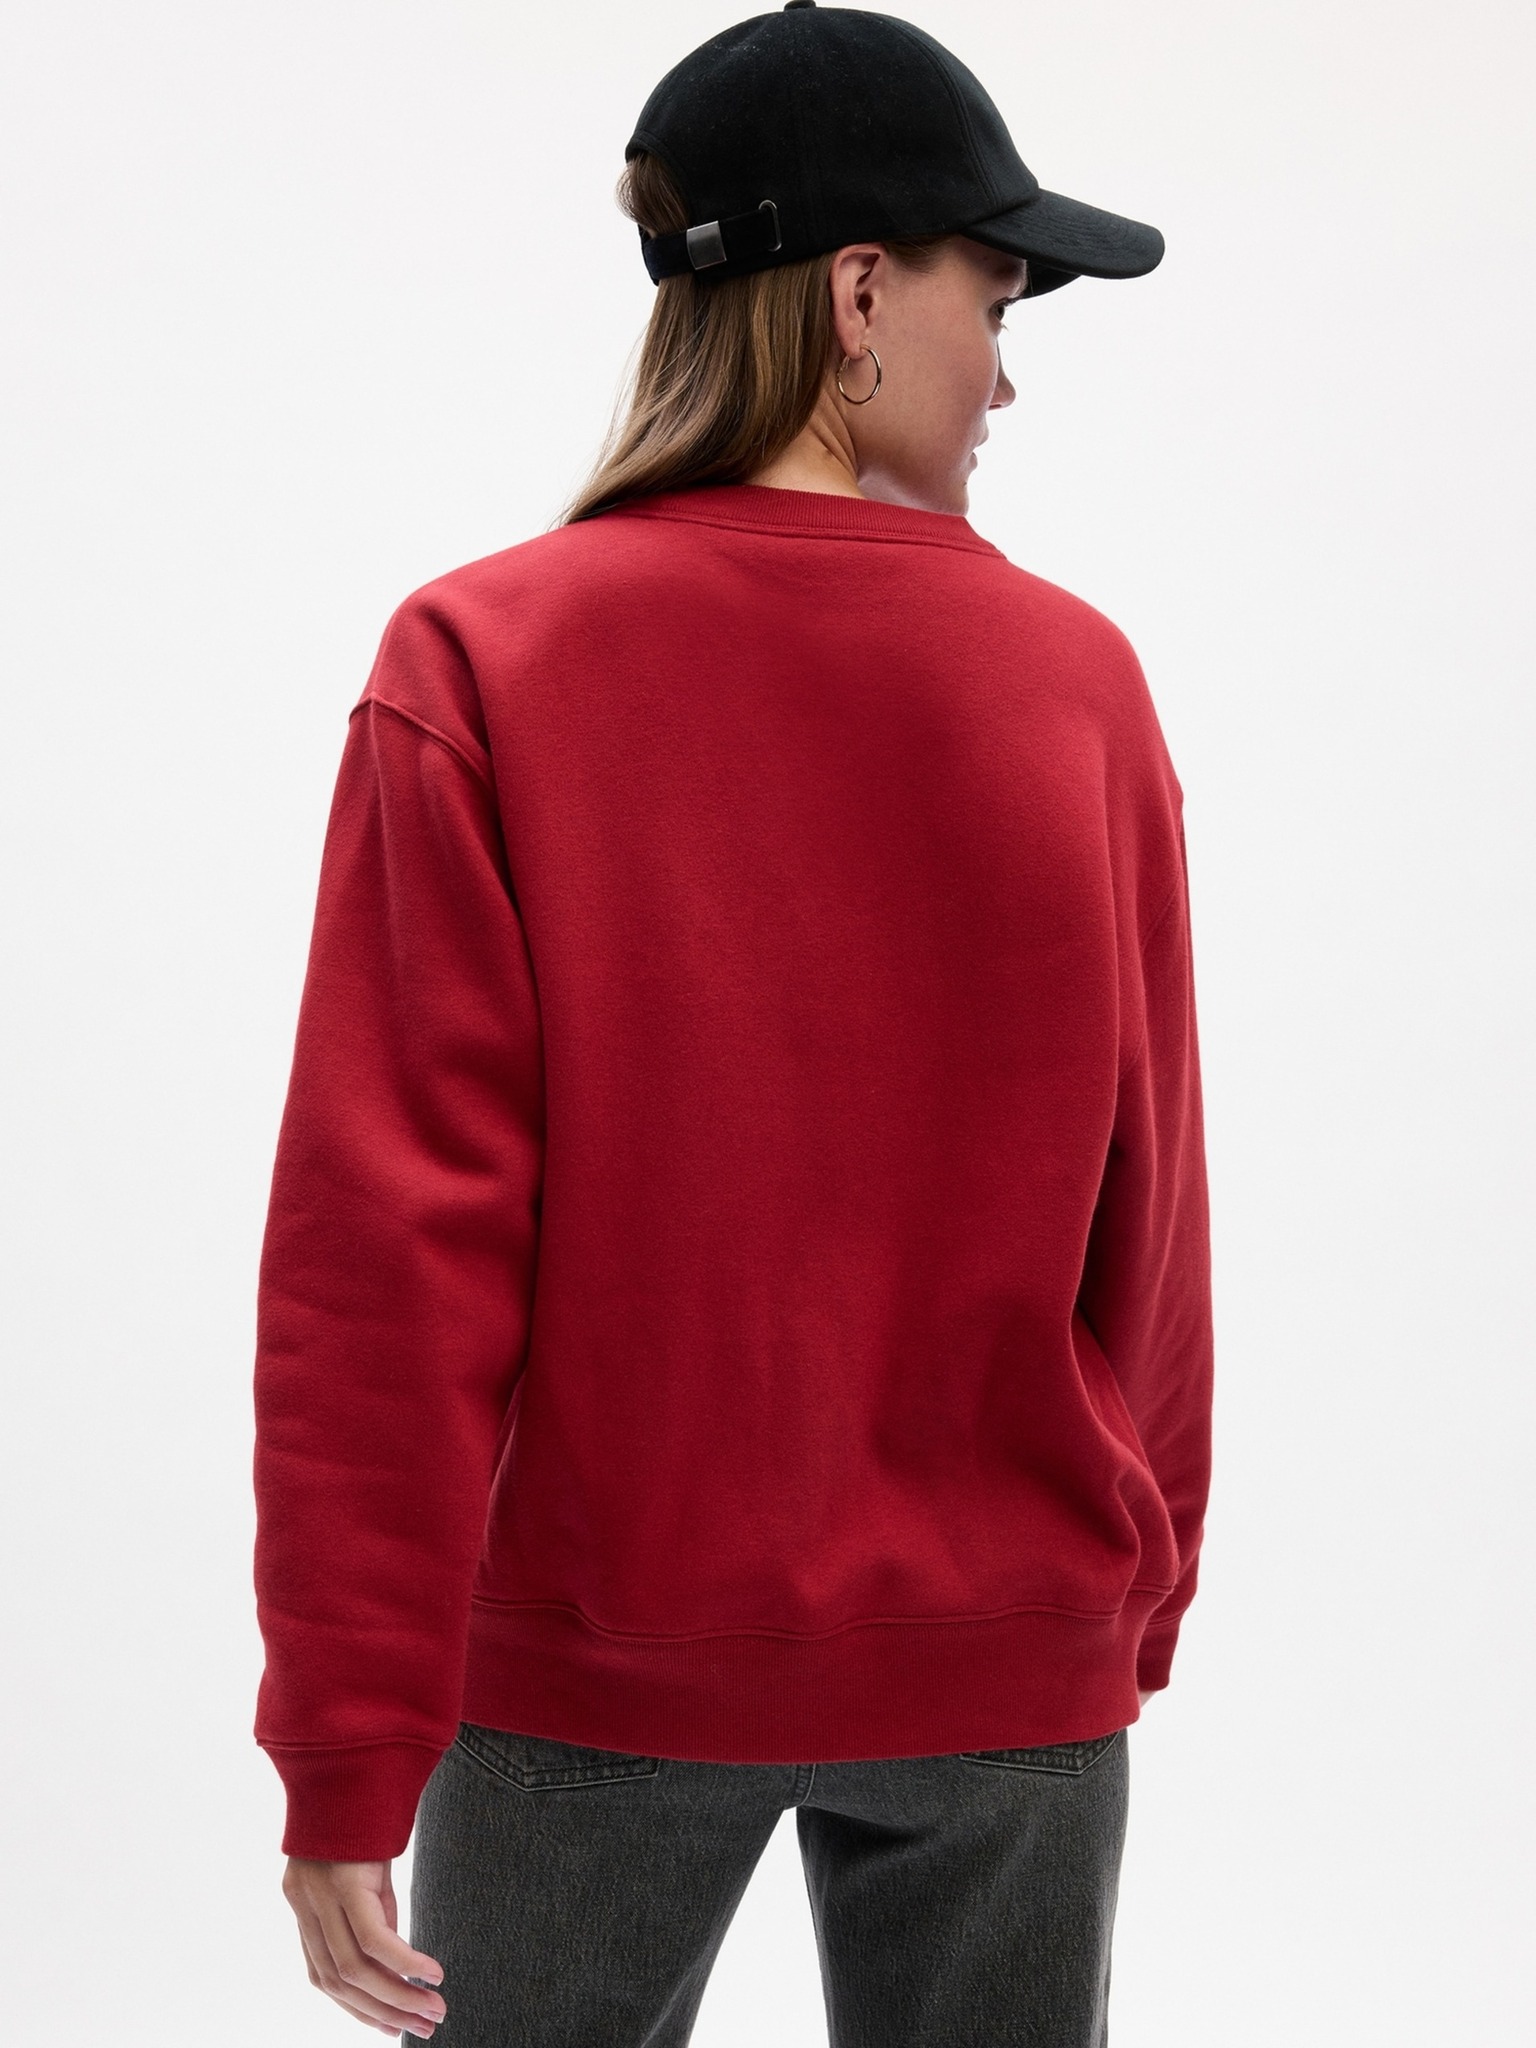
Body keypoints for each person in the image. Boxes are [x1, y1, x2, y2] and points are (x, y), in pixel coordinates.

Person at [252, 7, 1213, 2044]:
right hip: (1007, 1662)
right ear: (860, 294)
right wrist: (1128, 1588)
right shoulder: (1077, 684)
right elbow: (1159, 1215)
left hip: (601, 1657)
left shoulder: (486, 657)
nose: (1009, 373)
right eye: (994, 302)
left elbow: (389, 1251)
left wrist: (348, 1731)